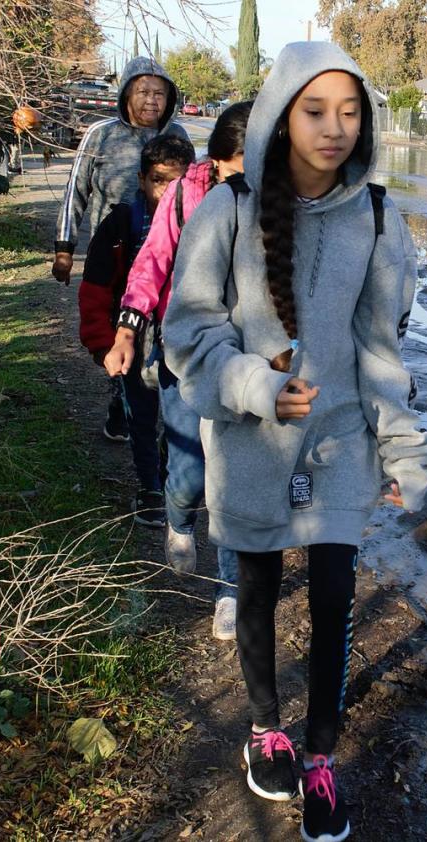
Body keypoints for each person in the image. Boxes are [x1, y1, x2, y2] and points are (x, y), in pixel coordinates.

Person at [162, 42, 427, 842]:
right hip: (250, 445)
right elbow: (188, 331)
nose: (336, 128)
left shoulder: (379, 218)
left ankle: (319, 754)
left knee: (333, 596)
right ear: (282, 119)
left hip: (340, 445)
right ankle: (263, 728)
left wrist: (402, 449)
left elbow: (381, 350)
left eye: (351, 112)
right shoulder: (229, 210)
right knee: (253, 588)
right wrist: (254, 385)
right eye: (316, 111)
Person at [104, 101, 253, 642]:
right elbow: (152, 261)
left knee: (234, 481)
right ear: (216, 160)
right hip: (184, 352)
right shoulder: (186, 195)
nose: (248, 181)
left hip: (245, 362)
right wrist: (126, 330)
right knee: (189, 473)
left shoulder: (279, 195)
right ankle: (179, 518)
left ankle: (230, 590)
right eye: (238, 169)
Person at [53, 56, 190, 444]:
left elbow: (194, 194)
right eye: (143, 92)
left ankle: (157, 407)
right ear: (126, 94)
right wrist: (65, 248)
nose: (152, 101)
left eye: (160, 93)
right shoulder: (101, 134)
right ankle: (123, 399)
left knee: (159, 334)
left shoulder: (177, 134)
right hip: (113, 258)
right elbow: (75, 191)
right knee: (118, 332)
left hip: (166, 261)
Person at [78, 134, 195, 532]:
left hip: (183, 335)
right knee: (141, 414)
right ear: (143, 179)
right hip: (132, 332)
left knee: (180, 416)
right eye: (160, 180)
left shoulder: (204, 222)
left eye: (178, 181)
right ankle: (149, 485)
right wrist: (102, 342)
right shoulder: (121, 222)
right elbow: (95, 287)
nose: (168, 191)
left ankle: (168, 473)